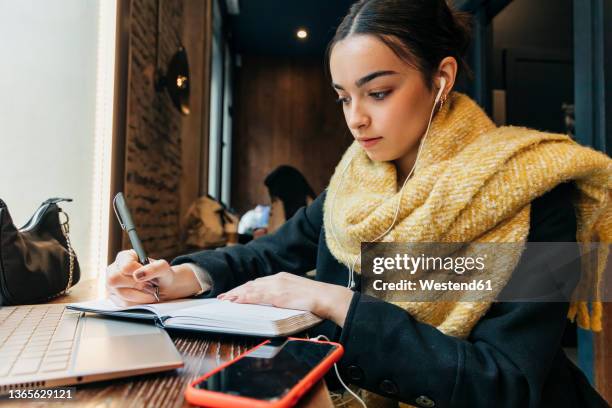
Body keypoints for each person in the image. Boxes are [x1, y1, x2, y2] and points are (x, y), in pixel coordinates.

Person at [106, 1, 611, 406]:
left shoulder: (535, 191)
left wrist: (336, 302)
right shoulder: (356, 184)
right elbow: (269, 253)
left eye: (379, 92)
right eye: (344, 97)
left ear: (442, 78)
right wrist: (179, 278)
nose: (357, 119)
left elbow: (506, 384)